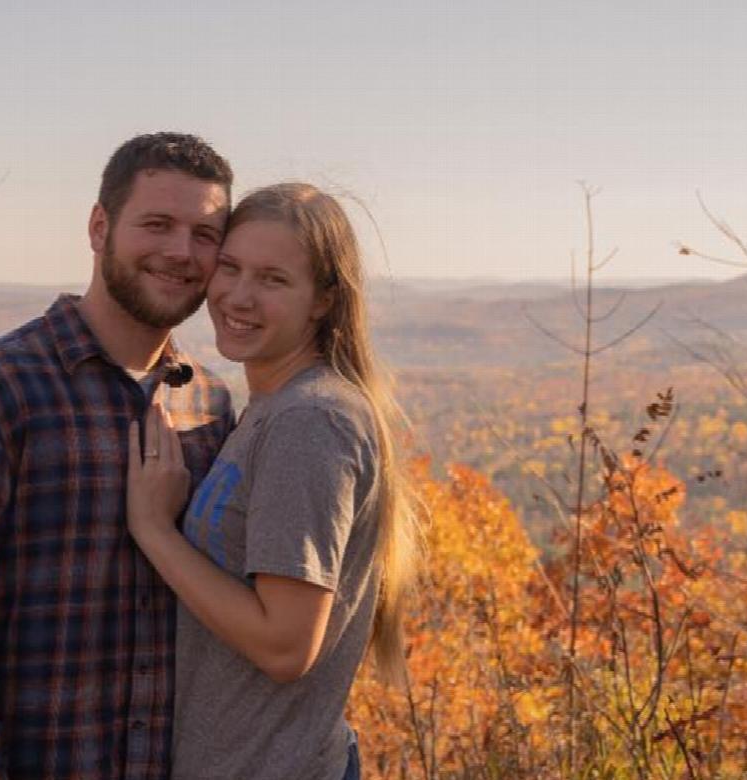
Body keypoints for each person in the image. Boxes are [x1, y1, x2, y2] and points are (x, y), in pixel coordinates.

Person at [0, 132, 235, 779]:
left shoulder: (210, 405)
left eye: (204, 234)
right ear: (99, 227)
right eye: (157, 225)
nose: (180, 251)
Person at [126, 183, 420, 780]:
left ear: (323, 300)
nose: (239, 296)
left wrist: (155, 530)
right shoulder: (272, 406)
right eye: (230, 267)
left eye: (273, 279)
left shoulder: (309, 420)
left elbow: (285, 646)